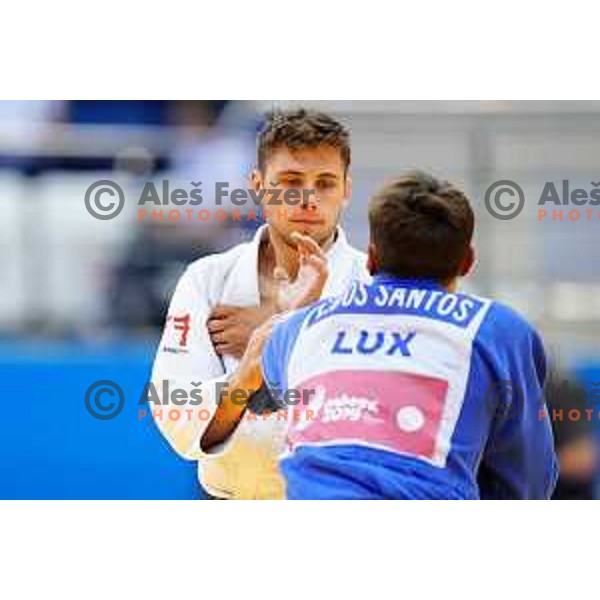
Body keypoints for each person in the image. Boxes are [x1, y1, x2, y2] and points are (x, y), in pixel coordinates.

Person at [235, 171, 558, 499]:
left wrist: (293, 312)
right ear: (467, 262)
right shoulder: (497, 330)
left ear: (371, 259)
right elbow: (528, 479)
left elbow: (257, 401)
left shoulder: (296, 329)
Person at [150, 108, 369, 499]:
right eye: (290, 182)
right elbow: (175, 411)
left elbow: (379, 410)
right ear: (258, 185)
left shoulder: (373, 283)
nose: (308, 199)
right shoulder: (208, 279)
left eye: (325, 183)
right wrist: (248, 376)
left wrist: (272, 333)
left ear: (346, 191)